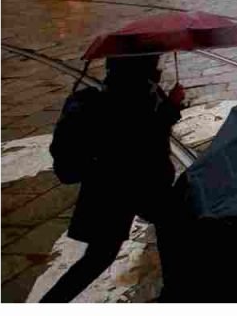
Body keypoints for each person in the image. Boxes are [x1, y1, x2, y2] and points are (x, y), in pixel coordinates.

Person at [43, 55, 184, 302]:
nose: (159, 67)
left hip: (112, 187)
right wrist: (171, 107)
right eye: (155, 62)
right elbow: (142, 140)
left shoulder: (117, 91)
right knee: (170, 222)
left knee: (101, 255)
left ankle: (174, 289)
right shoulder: (132, 94)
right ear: (142, 66)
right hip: (129, 186)